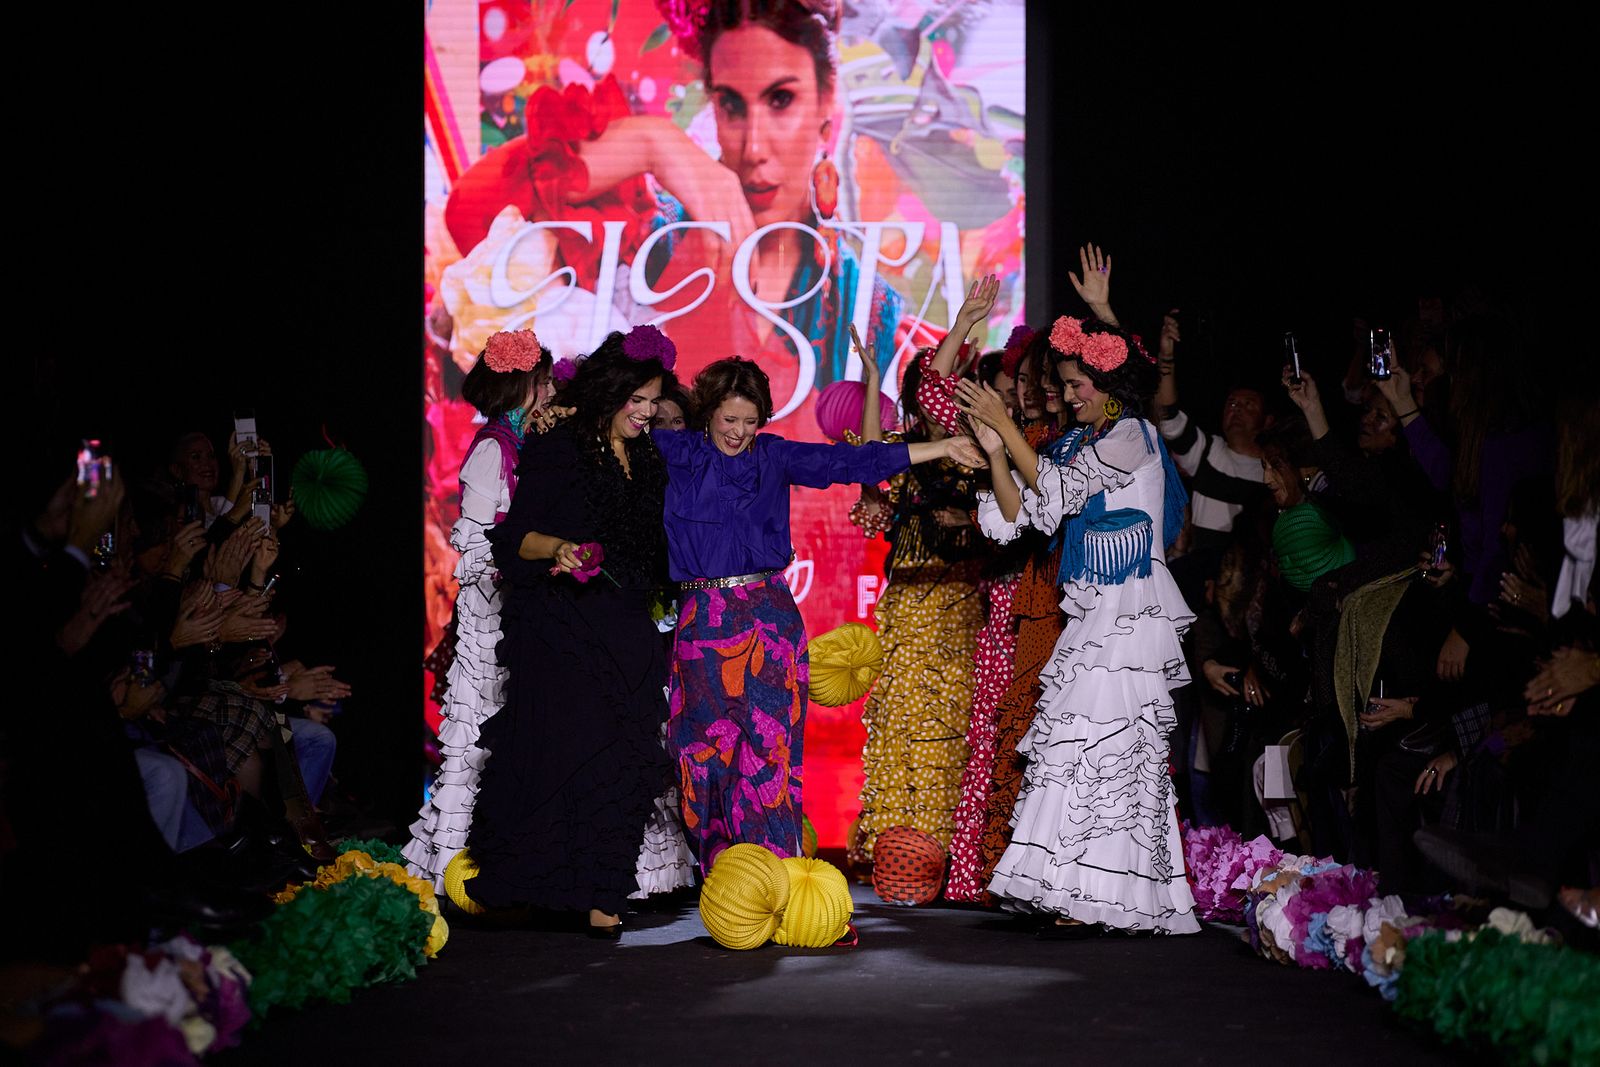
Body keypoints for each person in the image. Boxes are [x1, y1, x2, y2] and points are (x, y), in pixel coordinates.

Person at [655, 356, 983, 867]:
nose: (739, 432)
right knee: (704, 755)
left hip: (768, 620)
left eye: (750, 420)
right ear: (707, 415)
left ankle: (777, 873)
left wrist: (941, 446)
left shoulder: (773, 456)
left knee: (770, 757)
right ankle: (724, 875)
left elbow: (851, 463)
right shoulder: (676, 453)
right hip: (703, 622)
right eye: (729, 420)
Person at [956, 315, 1200, 935]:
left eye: (1075, 385)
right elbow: (1022, 517)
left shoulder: (1134, 436)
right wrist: (994, 455)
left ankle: (1114, 896)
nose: (1066, 397)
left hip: (1129, 614)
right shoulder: (1077, 444)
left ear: (1108, 383)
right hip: (1092, 615)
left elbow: (1058, 488)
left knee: (1113, 746)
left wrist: (1009, 429)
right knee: (1078, 744)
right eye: (1063, 385)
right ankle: (1079, 892)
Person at [468, 331, 676, 938]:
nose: (644, 412)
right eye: (635, 400)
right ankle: (573, 893)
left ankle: (603, 886)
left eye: (652, 401)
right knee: (571, 761)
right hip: (567, 629)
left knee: (634, 762)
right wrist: (560, 548)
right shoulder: (560, 447)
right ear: (610, 394)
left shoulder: (652, 457)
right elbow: (515, 538)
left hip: (631, 626)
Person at [404, 330, 552, 891]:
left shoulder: (518, 444)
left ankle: (496, 858)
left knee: (504, 736)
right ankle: (450, 870)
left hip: (512, 608)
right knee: (473, 737)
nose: (550, 391)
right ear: (525, 386)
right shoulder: (493, 447)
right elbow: (473, 540)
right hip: (490, 614)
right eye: (543, 382)